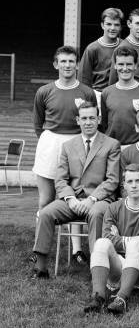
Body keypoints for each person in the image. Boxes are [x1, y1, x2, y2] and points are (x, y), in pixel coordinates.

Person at [30, 101, 121, 278]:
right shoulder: (68, 146)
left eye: (92, 118)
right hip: (72, 200)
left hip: (99, 200)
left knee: (96, 214)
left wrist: (91, 199)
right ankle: (40, 268)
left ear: (99, 119)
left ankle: (98, 268)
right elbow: (61, 179)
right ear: (78, 120)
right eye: (84, 118)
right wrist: (70, 199)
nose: (88, 122)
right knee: (46, 213)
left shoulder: (111, 144)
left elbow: (112, 180)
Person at [83, 163, 139, 315]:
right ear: (124, 185)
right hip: (118, 267)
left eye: (138, 181)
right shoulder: (113, 207)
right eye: (130, 182)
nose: (134, 186)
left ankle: (121, 299)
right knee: (101, 243)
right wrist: (138, 239)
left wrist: (122, 239)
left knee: (136, 245)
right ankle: (98, 297)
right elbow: (107, 237)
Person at [33, 45, 97, 209]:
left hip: (76, 142)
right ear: (56, 64)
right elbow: (38, 123)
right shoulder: (44, 91)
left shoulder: (87, 92)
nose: (67, 65)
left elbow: (93, 120)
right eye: (63, 61)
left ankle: (73, 236)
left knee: (74, 197)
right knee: (46, 200)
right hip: (51, 142)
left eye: (71, 61)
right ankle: (43, 233)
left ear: (77, 65)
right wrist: (50, 139)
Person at [100, 46, 139, 147]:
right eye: (121, 64)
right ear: (115, 66)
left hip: (137, 148)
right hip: (111, 148)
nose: (125, 68)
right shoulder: (106, 93)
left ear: (135, 66)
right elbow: (104, 124)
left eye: (129, 64)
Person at [78, 7, 123, 100]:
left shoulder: (125, 46)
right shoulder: (92, 48)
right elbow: (83, 78)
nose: (112, 28)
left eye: (116, 25)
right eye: (109, 24)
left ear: (121, 27)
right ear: (102, 25)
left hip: (121, 94)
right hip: (99, 94)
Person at [108, 8, 139, 87]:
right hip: (127, 95)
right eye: (138, 23)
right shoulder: (121, 48)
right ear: (129, 24)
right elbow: (112, 82)